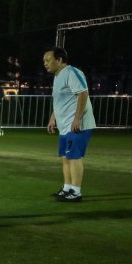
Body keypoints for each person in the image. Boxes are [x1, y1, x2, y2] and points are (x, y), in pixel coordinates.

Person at [44, 46, 96, 201]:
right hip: (65, 125)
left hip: (78, 124)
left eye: (48, 60)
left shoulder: (72, 72)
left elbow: (83, 93)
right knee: (65, 157)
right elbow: (60, 101)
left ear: (59, 60)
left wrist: (77, 118)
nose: (45, 63)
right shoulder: (57, 76)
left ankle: (76, 192)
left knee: (73, 156)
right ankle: (67, 188)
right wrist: (53, 118)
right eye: (44, 61)